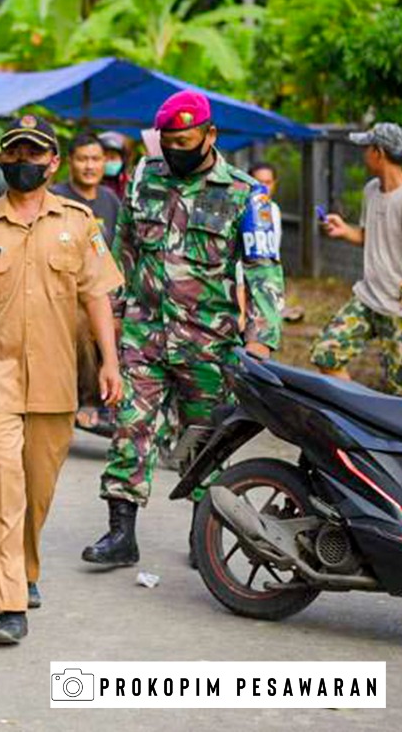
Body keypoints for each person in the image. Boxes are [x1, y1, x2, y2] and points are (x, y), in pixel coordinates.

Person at [0, 113, 124, 645]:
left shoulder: (79, 223)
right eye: (13, 155)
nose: (23, 163)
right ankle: (10, 601)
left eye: (34, 155)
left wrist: (110, 362)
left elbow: (97, 297)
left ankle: (26, 566)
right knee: (3, 489)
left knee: (37, 489)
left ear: (52, 163)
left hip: (56, 379)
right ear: (1, 160)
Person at [82, 91, 284, 568]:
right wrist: (112, 312)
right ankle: (120, 533)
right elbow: (123, 249)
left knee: (206, 440)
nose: (175, 150)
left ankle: (204, 536)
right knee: (130, 429)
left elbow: (263, 270)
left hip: (208, 342)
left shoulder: (244, 194)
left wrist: (260, 337)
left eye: (185, 141)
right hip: (143, 334)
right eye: (168, 141)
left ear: (210, 135)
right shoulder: (143, 180)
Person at [311, 123, 402, 396]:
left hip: (397, 309)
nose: (363, 155)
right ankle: (360, 417)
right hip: (368, 299)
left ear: (379, 152)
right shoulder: (372, 190)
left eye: (366, 149)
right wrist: (345, 231)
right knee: (326, 353)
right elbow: (368, 235)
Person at [53, 134, 124, 433]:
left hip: (106, 290)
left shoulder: (111, 200)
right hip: (65, 291)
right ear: (70, 162)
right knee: (85, 325)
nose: (90, 166)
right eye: (83, 159)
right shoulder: (55, 197)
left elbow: (119, 250)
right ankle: (88, 400)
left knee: (126, 326)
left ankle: (119, 403)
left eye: (96, 159)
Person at [248, 162, 282, 253]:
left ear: (274, 183)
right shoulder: (241, 208)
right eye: (259, 182)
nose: (263, 187)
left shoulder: (274, 208)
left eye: (268, 182)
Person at [97, 131, 130, 197]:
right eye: (104, 158)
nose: (108, 162)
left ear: (122, 160)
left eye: (113, 157)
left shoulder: (128, 185)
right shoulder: (89, 184)